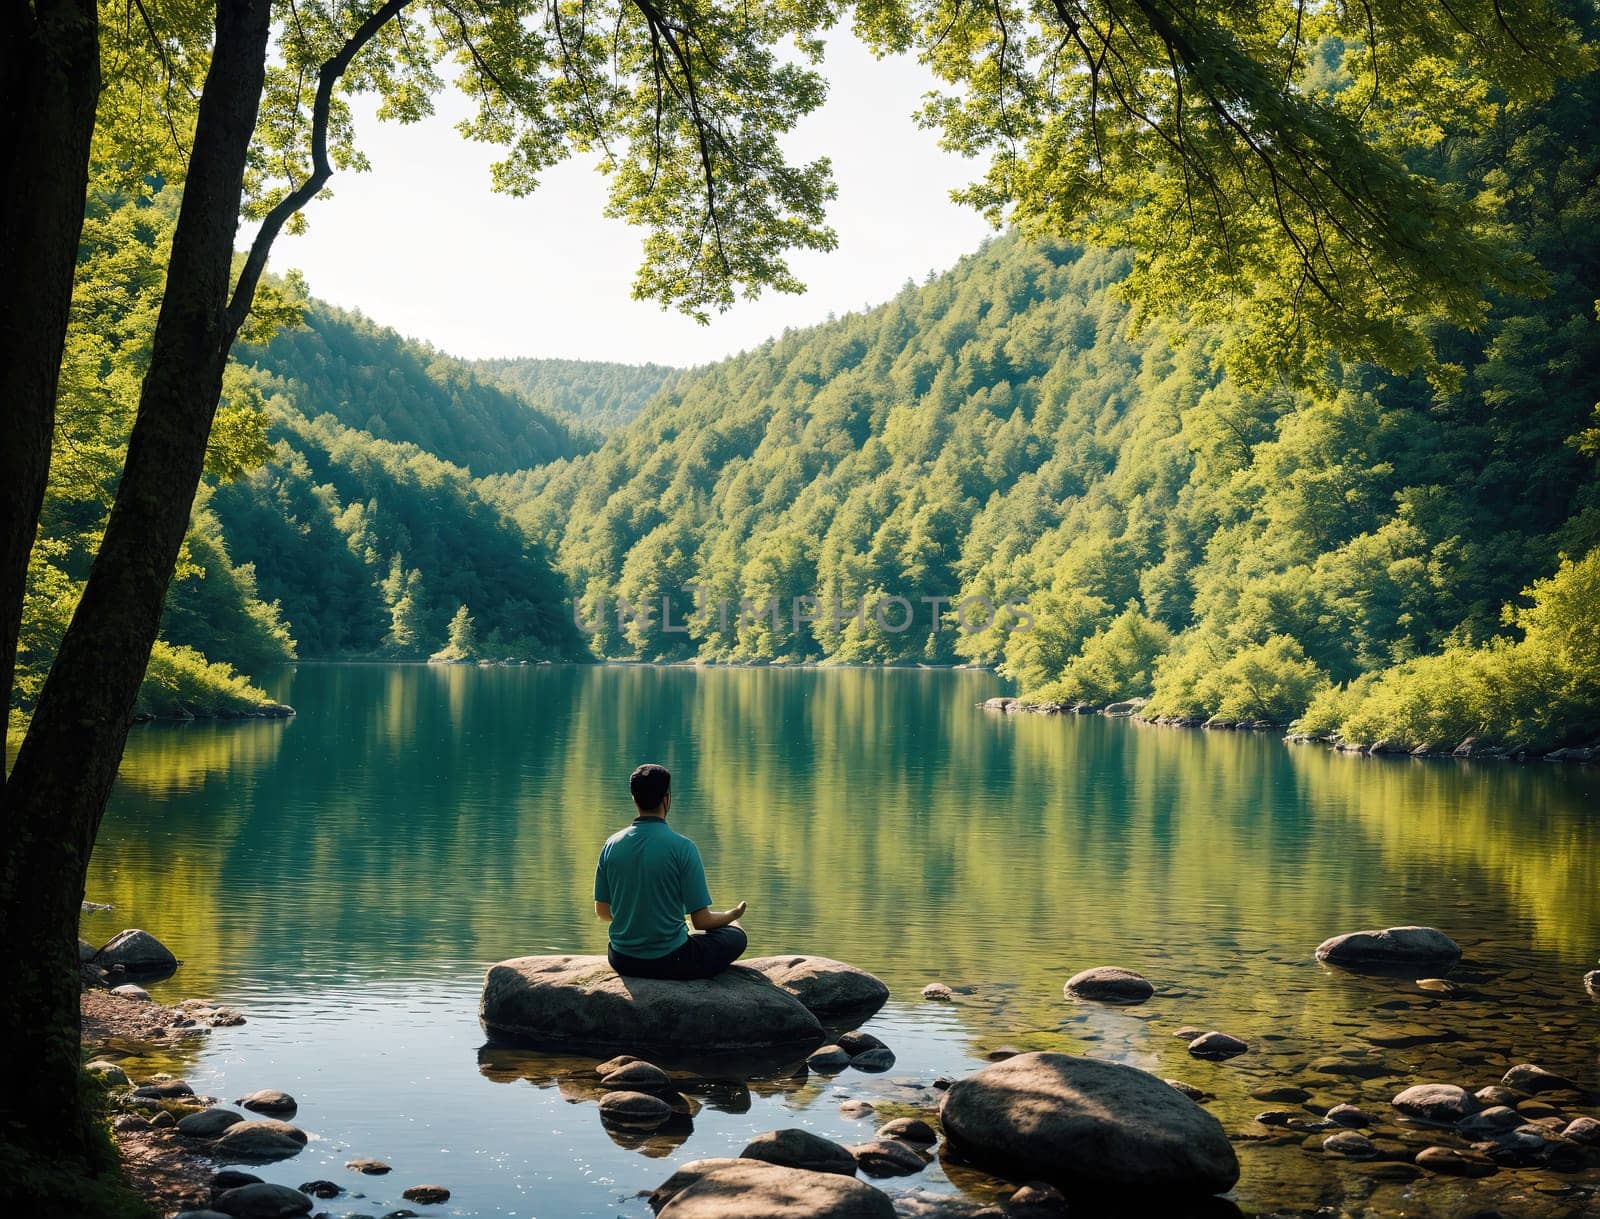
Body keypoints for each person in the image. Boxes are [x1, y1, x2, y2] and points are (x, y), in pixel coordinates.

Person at [594, 763, 748, 980]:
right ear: (666, 799)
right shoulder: (683, 848)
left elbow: (602, 912)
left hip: (621, 959)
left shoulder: (611, 845)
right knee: (735, 936)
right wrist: (732, 915)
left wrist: (637, 917)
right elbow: (701, 922)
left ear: (634, 799)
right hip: (671, 961)